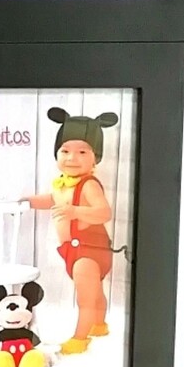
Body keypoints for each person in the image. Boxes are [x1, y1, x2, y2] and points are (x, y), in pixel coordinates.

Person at [23, 108, 118, 354]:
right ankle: (99, 325)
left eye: (82, 152)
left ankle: (80, 338)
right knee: (94, 290)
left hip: (90, 247)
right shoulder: (62, 184)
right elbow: (50, 200)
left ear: (95, 158)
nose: (72, 158)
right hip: (72, 249)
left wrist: (75, 211)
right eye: (65, 151)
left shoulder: (89, 185)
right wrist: (28, 201)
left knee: (86, 295)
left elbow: (104, 213)